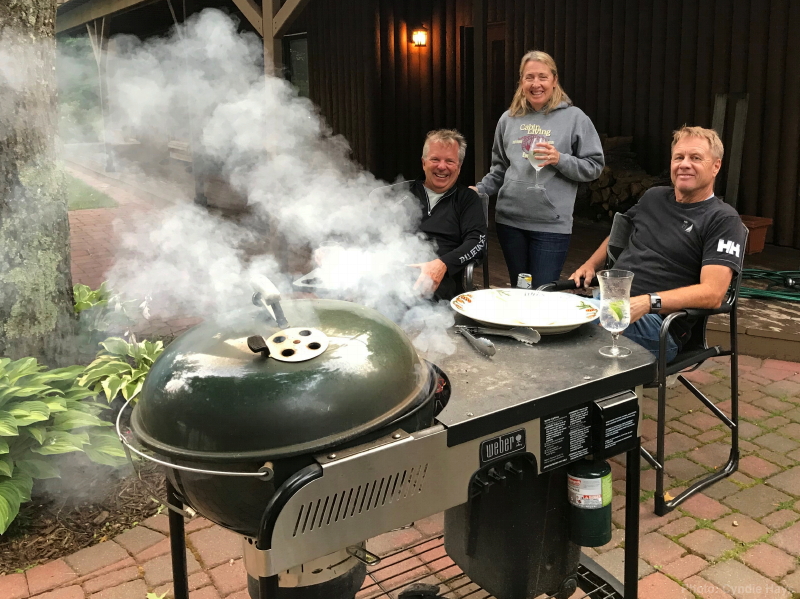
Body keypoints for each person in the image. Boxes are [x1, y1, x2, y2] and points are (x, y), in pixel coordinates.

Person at [569, 126, 747, 362]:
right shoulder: (654, 197)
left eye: (695, 158)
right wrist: (590, 264)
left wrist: (648, 302)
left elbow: (713, 294)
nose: (684, 164)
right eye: (678, 157)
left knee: (565, 322)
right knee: (544, 306)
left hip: (660, 325)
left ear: (716, 166)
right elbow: (618, 235)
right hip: (608, 302)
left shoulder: (723, 219)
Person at [473, 50, 604, 289]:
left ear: (554, 80)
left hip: (551, 226)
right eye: (529, 77)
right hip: (510, 222)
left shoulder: (575, 118)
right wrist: (479, 190)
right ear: (521, 82)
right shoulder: (508, 119)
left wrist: (559, 159)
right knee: (520, 289)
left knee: (543, 293)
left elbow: (594, 167)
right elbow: (500, 169)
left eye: (543, 77)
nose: (536, 84)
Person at [409, 129, 487, 300]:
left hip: (441, 282)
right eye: (435, 159)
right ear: (423, 163)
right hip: (395, 274)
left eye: (450, 161)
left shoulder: (467, 199)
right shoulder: (402, 194)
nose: (442, 166)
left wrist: (442, 264)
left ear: (459, 167)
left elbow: (477, 242)